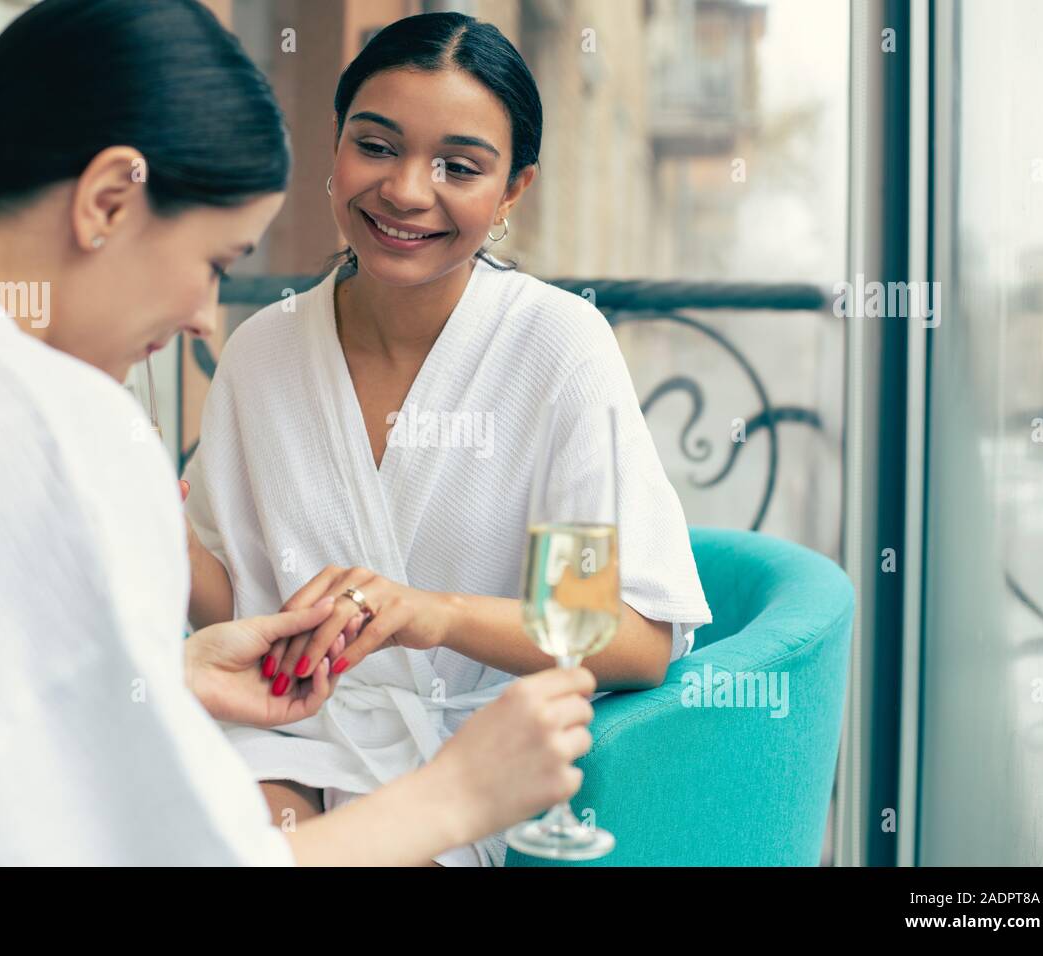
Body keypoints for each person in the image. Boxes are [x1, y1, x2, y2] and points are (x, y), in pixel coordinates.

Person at [0, 0, 597, 866]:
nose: (206, 321)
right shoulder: (73, 429)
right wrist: (459, 797)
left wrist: (158, 679)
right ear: (107, 201)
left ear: (515, 185)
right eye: (214, 264)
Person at [183, 12, 711, 867]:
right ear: (335, 144)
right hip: (285, 732)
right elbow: (238, 597)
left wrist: (433, 615)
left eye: (458, 167)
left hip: (473, 767)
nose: (406, 191)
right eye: (377, 145)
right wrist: (143, 521)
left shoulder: (556, 347)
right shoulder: (263, 350)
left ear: (513, 191)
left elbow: (638, 639)